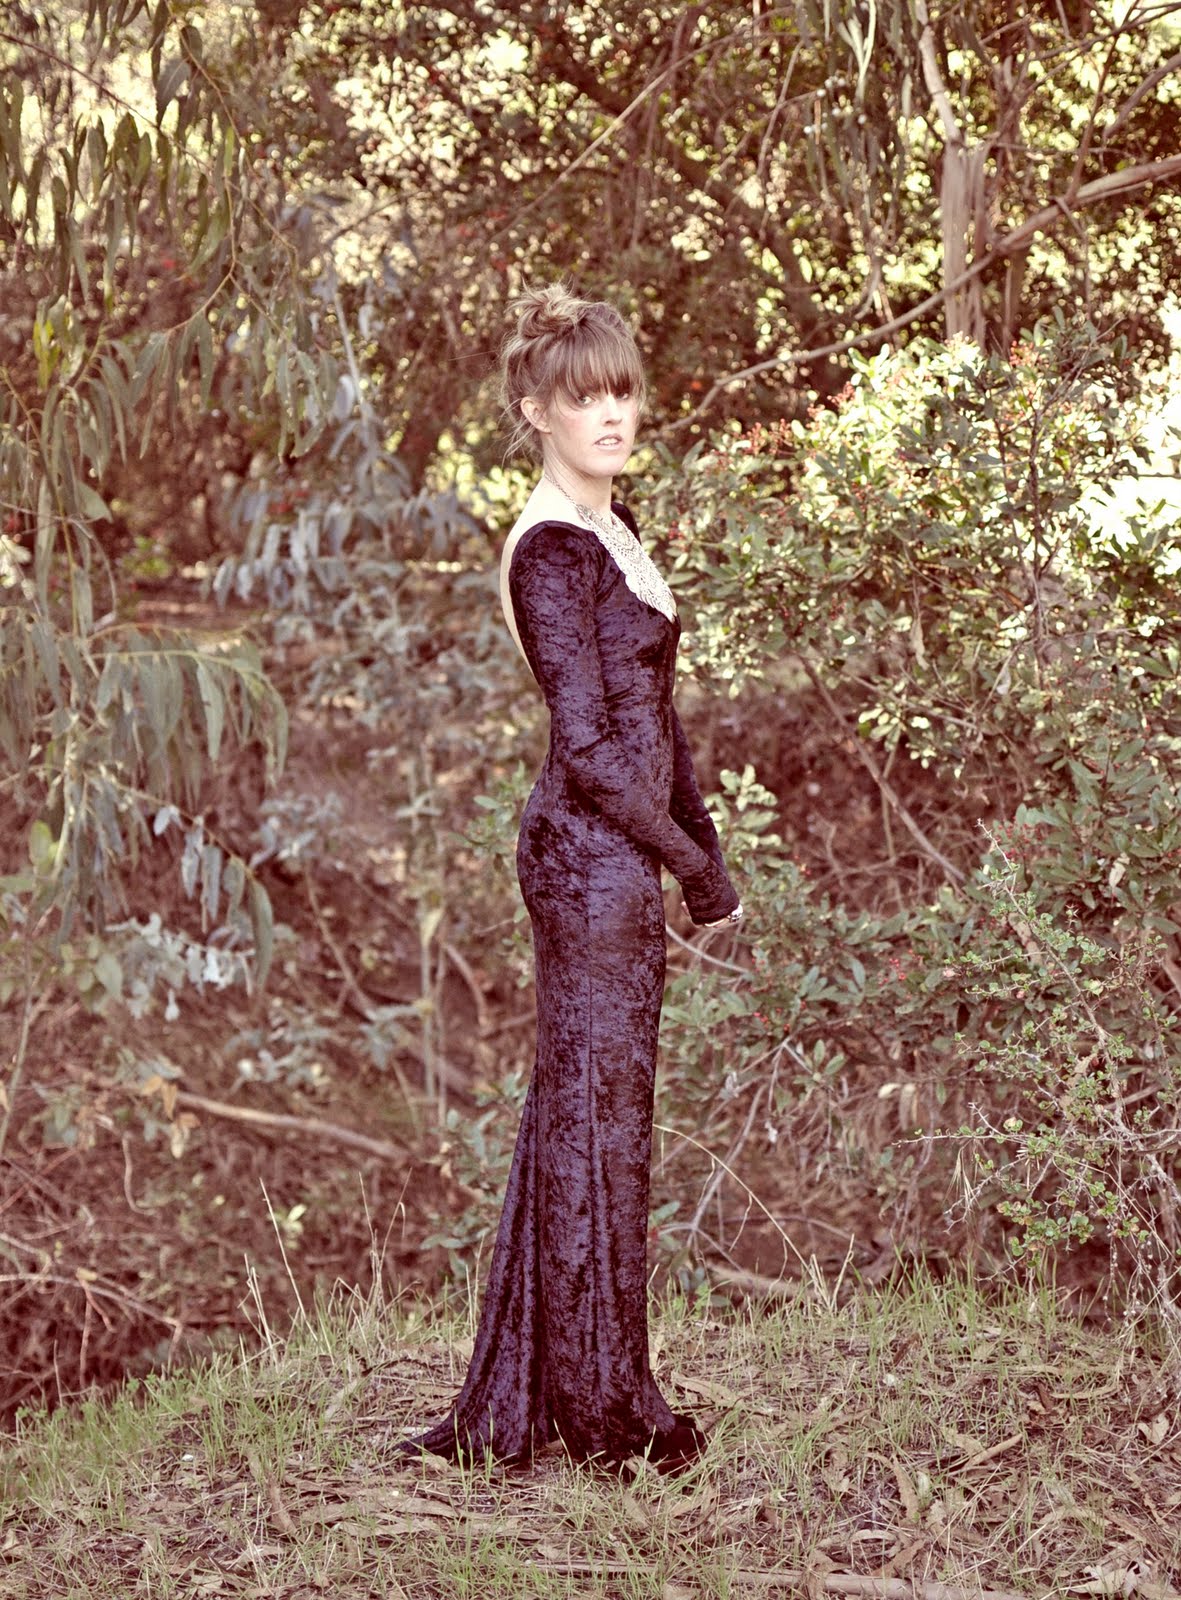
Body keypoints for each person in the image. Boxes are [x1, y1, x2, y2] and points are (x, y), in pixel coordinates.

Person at [400, 283, 742, 1473]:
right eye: (585, 396)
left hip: (620, 855)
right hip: (582, 861)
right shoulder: (549, 548)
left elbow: (658, 720)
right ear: (536, 411)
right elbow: (590, 751)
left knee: (597, 1120)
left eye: (623, 391)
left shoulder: (613, 526)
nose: (612, 414)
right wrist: (685, 859)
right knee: (595, 1127)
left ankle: (559, 1387)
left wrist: (703, 845)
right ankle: (603, 1416)